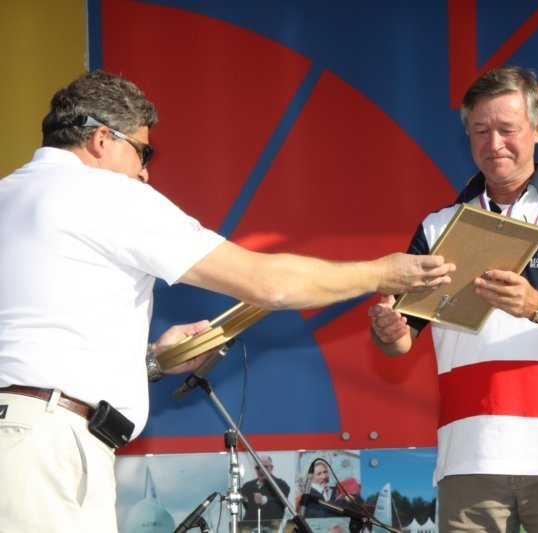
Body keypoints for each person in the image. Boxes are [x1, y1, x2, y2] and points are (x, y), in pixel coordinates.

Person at [0, 70, 455, 533]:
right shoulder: (109, 194)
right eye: (142, 151)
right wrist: (382, 272)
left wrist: (152, 361)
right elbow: (269, 285)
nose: (144, 172)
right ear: (101, 139)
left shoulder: (8, 194)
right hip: (45, 450)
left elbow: (34, 340)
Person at [368, 65, 538, 532]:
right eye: (480, 130)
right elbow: (400, 339)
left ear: (537, 128)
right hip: (469, 457)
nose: (494, 143)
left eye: (507, 129)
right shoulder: (438, 227)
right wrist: (386, 329)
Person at [239, 455, 291, 530]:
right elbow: (246, 505)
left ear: (271, 467)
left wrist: (264, 499)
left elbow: (281, 503)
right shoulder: (247, 487)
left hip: (273, 529)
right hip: (249, 528)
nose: (261, 470)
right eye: (258, 468)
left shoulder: (281, 485)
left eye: (264, 467)